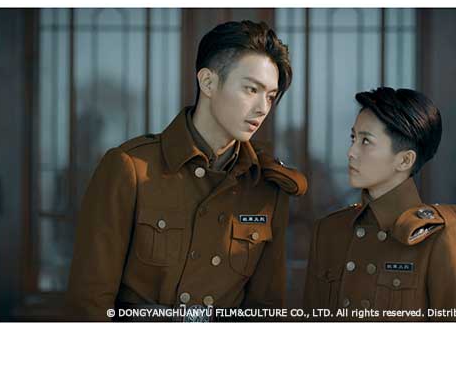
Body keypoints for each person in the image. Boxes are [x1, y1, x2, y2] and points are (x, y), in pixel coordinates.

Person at [67, 20, 307, 321]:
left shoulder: (266, 186)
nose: (263, 108)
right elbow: (88, 302)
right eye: (251, 89)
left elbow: (266, 310)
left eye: (270, 96)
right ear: (208, 83)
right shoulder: (130, 168)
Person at [303, 87, 456, 322]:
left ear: (405, 160)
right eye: (353, 138)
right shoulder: (328, 231)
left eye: (366, 141)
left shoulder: (443, 238)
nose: (351, 152)